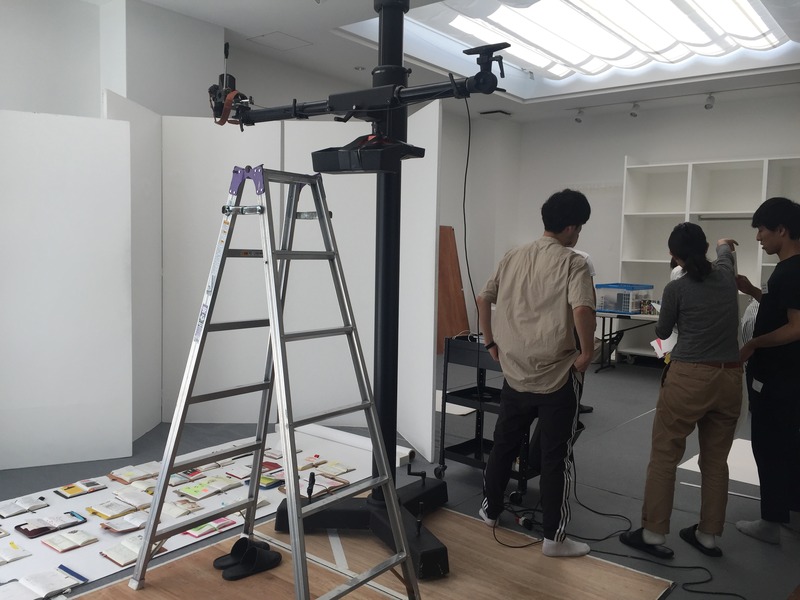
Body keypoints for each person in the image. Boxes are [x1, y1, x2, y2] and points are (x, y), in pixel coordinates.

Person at [477, 189, 595, 558]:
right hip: (557, 375)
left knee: (504, 443)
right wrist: (588, 352)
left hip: (515, 372)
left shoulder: (513, 255)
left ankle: (489, 511)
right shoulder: (574, 263)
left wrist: (489, 342)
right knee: (555, 456)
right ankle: (553, 539)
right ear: (571, 227)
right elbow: (582, 309)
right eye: (580, 228)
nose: (579, 234)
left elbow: (483, 297)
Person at [620, 223, 742, 558]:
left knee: (665, 454)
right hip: (730, 378)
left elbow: (662, 331)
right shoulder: (726, 276)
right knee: (716, 461)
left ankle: (653, 533)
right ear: (704, 247)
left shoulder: (677, 288)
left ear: (674, 256)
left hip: (689, 377)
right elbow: (726, 252)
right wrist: (722, 243)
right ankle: (708, 535)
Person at [735, 196, 800, 544]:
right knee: (788, 442)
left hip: (777, 379)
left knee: (769, 445)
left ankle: (771, 522)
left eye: (762, 229)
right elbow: (782, 309)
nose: (758, 237)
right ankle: (792, 508)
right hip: (785, 377)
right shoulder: (788, 270)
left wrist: (754, 344)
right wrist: (753, 291)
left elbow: (796, 327)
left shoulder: (791, 271)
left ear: (782, 230)